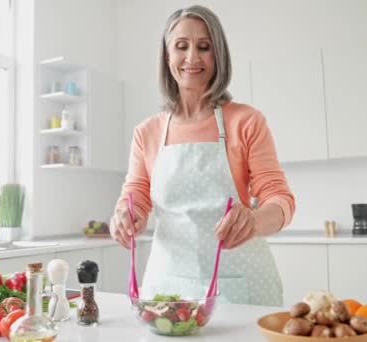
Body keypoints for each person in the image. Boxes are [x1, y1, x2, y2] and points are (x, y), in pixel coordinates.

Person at [110, 5, 295, 306]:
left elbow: (280, 199)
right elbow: (136, 195)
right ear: (167, 56)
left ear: (218, 55)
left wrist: (254, 220)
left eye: (204, 47)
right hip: (167, 285)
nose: (192, 58)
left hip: (242, 286)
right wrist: (125, 215)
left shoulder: (246, 121)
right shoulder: (147, 132)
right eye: (181, 46)